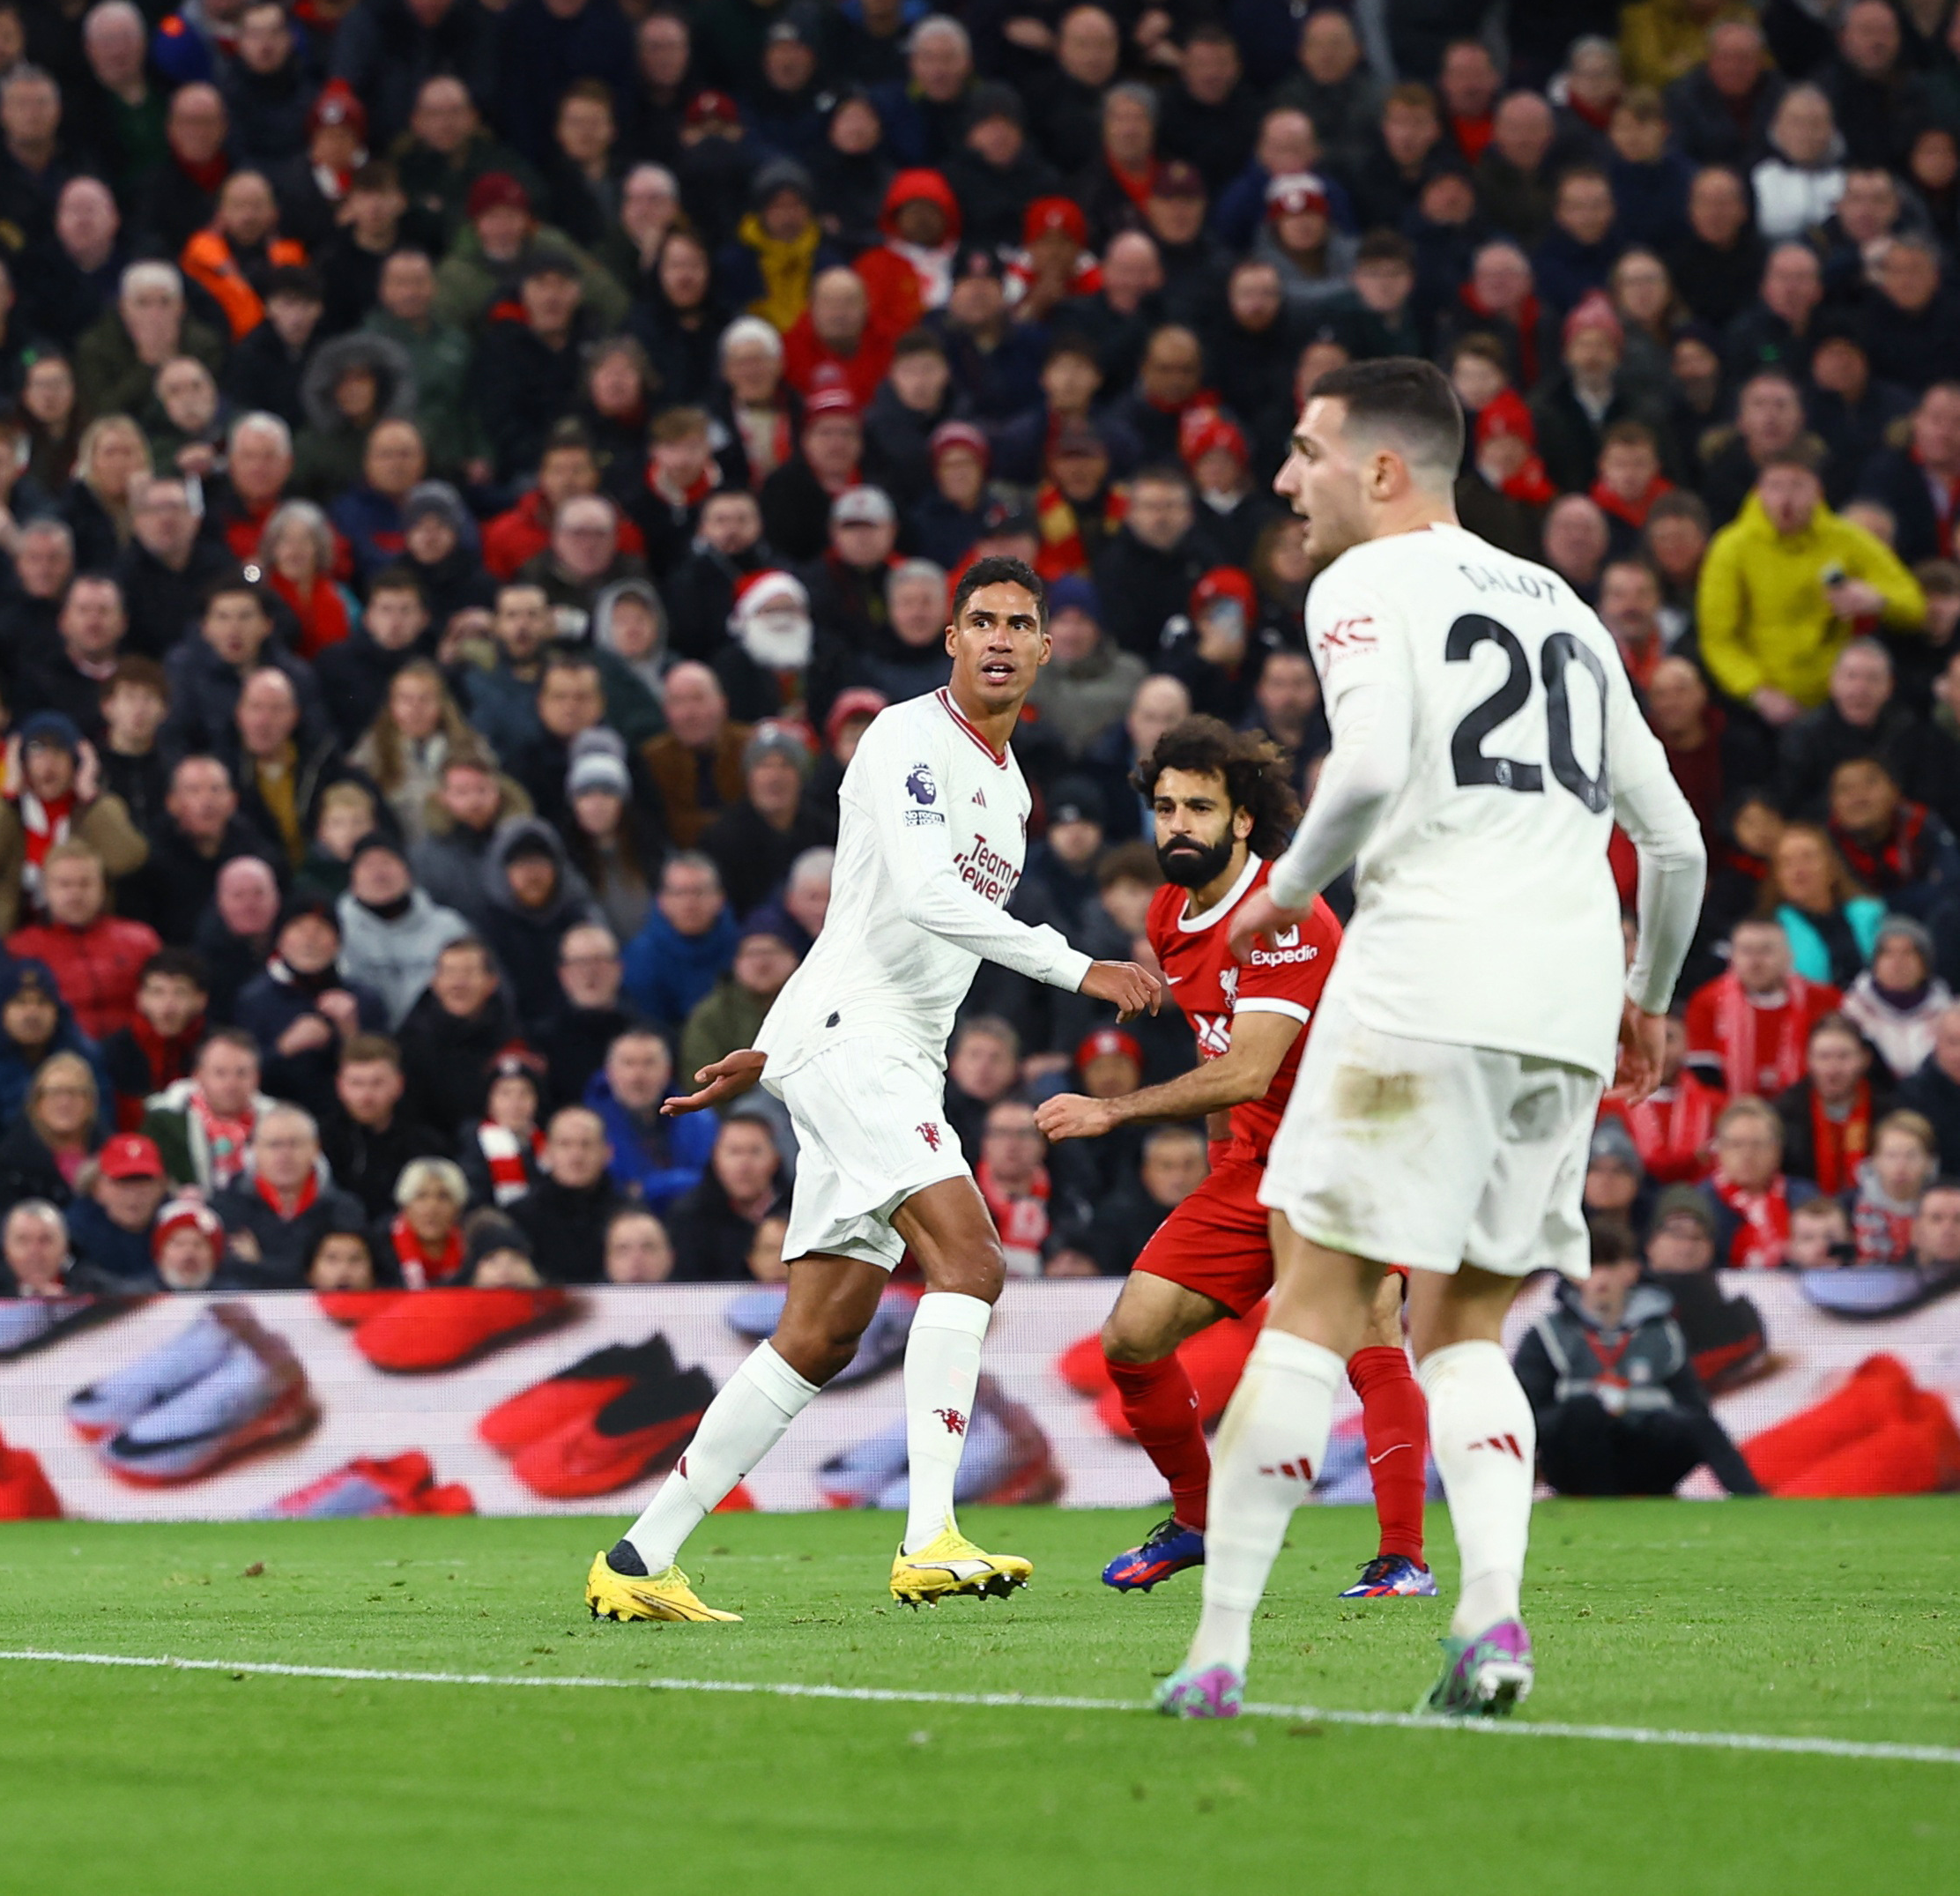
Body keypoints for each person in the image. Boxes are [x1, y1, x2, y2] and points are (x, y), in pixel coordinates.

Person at [1147, 358, 1702, 1725]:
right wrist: (1649, 993)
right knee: (1464, 1324)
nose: (1284, 481)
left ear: (1380, 471)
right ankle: (1490, 1623)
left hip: (1422, 975)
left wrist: (1272, 896)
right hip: (1564, 1005)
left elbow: (1378, 767)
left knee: (1316, 1307)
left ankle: (1215, 1653)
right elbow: (1673, 838)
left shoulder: (1362, 583)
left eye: (1302, 453)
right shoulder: (1565, 605)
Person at [587, 555, 1171, 1626]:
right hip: (861, 1044)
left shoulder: (1011, 788)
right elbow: (920, 892)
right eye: (980, 620)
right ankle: (927, 1536)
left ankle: (637, 1554)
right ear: (949, 638)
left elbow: (855, 919)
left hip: (868, 1042)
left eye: (1020, 624)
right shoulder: (904, 736)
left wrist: (769, 1047)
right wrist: (1077, 963)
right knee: (971, 1258)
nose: (999, 637)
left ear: (1045, 651)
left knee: (819, 1330)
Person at [1035, 716, 1436, 1601]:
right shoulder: (1169, 907)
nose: (1176, 823)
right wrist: (1223, 1163)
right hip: (1255, 1156)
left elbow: (1246, 1062)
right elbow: (1216, 1044)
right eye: (1165, 805)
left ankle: (1400, 1555)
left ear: (1242, 819)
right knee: (1132, 1337)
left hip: (1347, 1143)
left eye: (1199, 807)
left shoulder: (1285, 916)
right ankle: (1197, 1521)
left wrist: (1113, 1108)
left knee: (1368, 1323)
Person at [1515, 1218, 1763, 1498]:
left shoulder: (1663, 1332)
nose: (1601, 1277)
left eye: (1612, 1265)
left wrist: (1652, 1420)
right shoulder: (1547, 1334)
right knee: (1583, 1411)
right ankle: (1600, 1498)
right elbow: (1529, 1414)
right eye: (1591, 1266)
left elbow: (1694, 1406)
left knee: (1695, 1422)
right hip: (1577, 1461)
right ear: (1572, 1273)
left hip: (1644, 1453)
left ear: (1632, 1271)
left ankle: (1752, 1499)